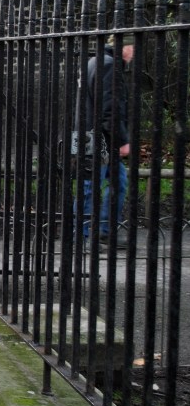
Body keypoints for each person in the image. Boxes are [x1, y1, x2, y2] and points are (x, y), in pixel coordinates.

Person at [82, 35, 134, 247]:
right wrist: (122, 140)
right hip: (100, 137)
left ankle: (103, 231)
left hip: (92, 135)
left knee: (117, 183)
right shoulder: (109, 66)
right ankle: (84, 235)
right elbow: (109, 109)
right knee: (91, 186)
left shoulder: (95, 61)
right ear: (124, 47)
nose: (134, 54)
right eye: (133, 48)